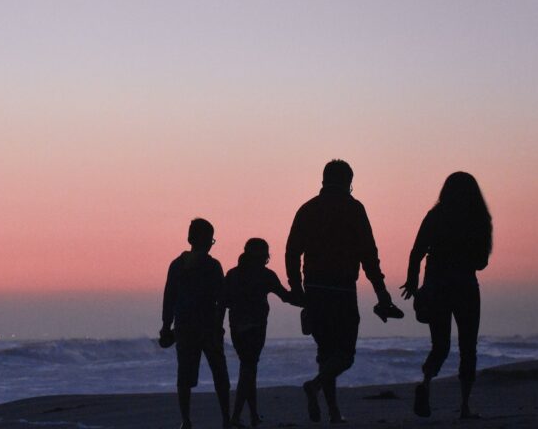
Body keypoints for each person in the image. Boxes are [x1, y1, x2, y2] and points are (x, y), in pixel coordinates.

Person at [285, 159, 397, 423]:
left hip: (314, 289)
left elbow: (292, 252)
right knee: (344, 356)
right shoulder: (354, 209)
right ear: (349, 182)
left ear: (323, 180)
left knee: (326, 353)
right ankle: (315, 386)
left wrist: (296, 287)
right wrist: (381, 292)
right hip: (342, 289)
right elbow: (369, 255)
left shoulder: (308, 209)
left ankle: (333, 412)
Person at [401, 172, 492, 419]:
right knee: (468, 347)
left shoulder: (435, 216)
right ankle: (464, 406)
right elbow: (482, 262)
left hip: (437, 287)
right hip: (465, 287)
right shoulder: (479, 219)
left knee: (440, 345)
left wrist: (412, 282)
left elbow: (416, 252)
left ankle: (427, 382)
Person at [161, 218, 233, 429]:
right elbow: (222, 298)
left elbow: (169, 298)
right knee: (220, 373)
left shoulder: (176, 265)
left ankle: (186, 420)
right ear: (208, 241)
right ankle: (226, 419)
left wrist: (166, 326)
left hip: (184, 327)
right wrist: (219, 324)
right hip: (208, 326)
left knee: (185, 375)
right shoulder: (212, 266)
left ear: (190, 239)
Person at [221, 238, 299, 428]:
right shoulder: (266, 275)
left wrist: (218, 325)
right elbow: (286, 296)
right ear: (264, 256)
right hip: (255, 328)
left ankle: (253, 415)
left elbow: (223, 302)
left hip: (236, 328)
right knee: (248, 369)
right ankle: (236, 416)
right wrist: (306, 299)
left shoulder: (232, 274)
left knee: (248, 368)